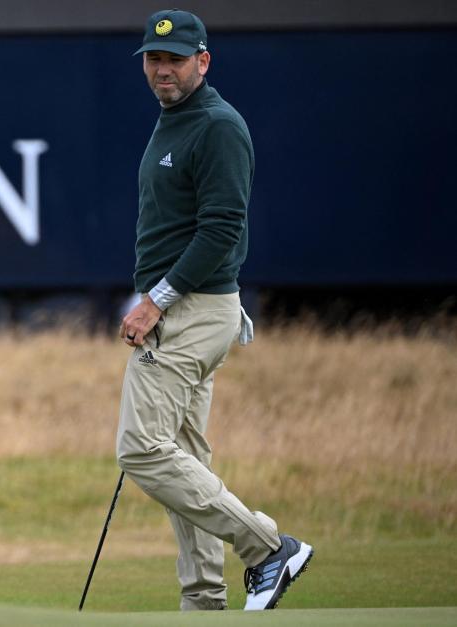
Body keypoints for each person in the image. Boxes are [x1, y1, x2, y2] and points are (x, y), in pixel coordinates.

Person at [116, 9, 312, 612]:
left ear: (203, 60)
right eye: (154, 58)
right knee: (185, 457)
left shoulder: (218, 126)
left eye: (175, 59)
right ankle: (203, 602)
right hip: (189, 308)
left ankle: (267, 547)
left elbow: (223, 230)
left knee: (142, 448)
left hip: (191, 310)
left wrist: (156, 301)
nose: (163, 69)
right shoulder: (172, 120)